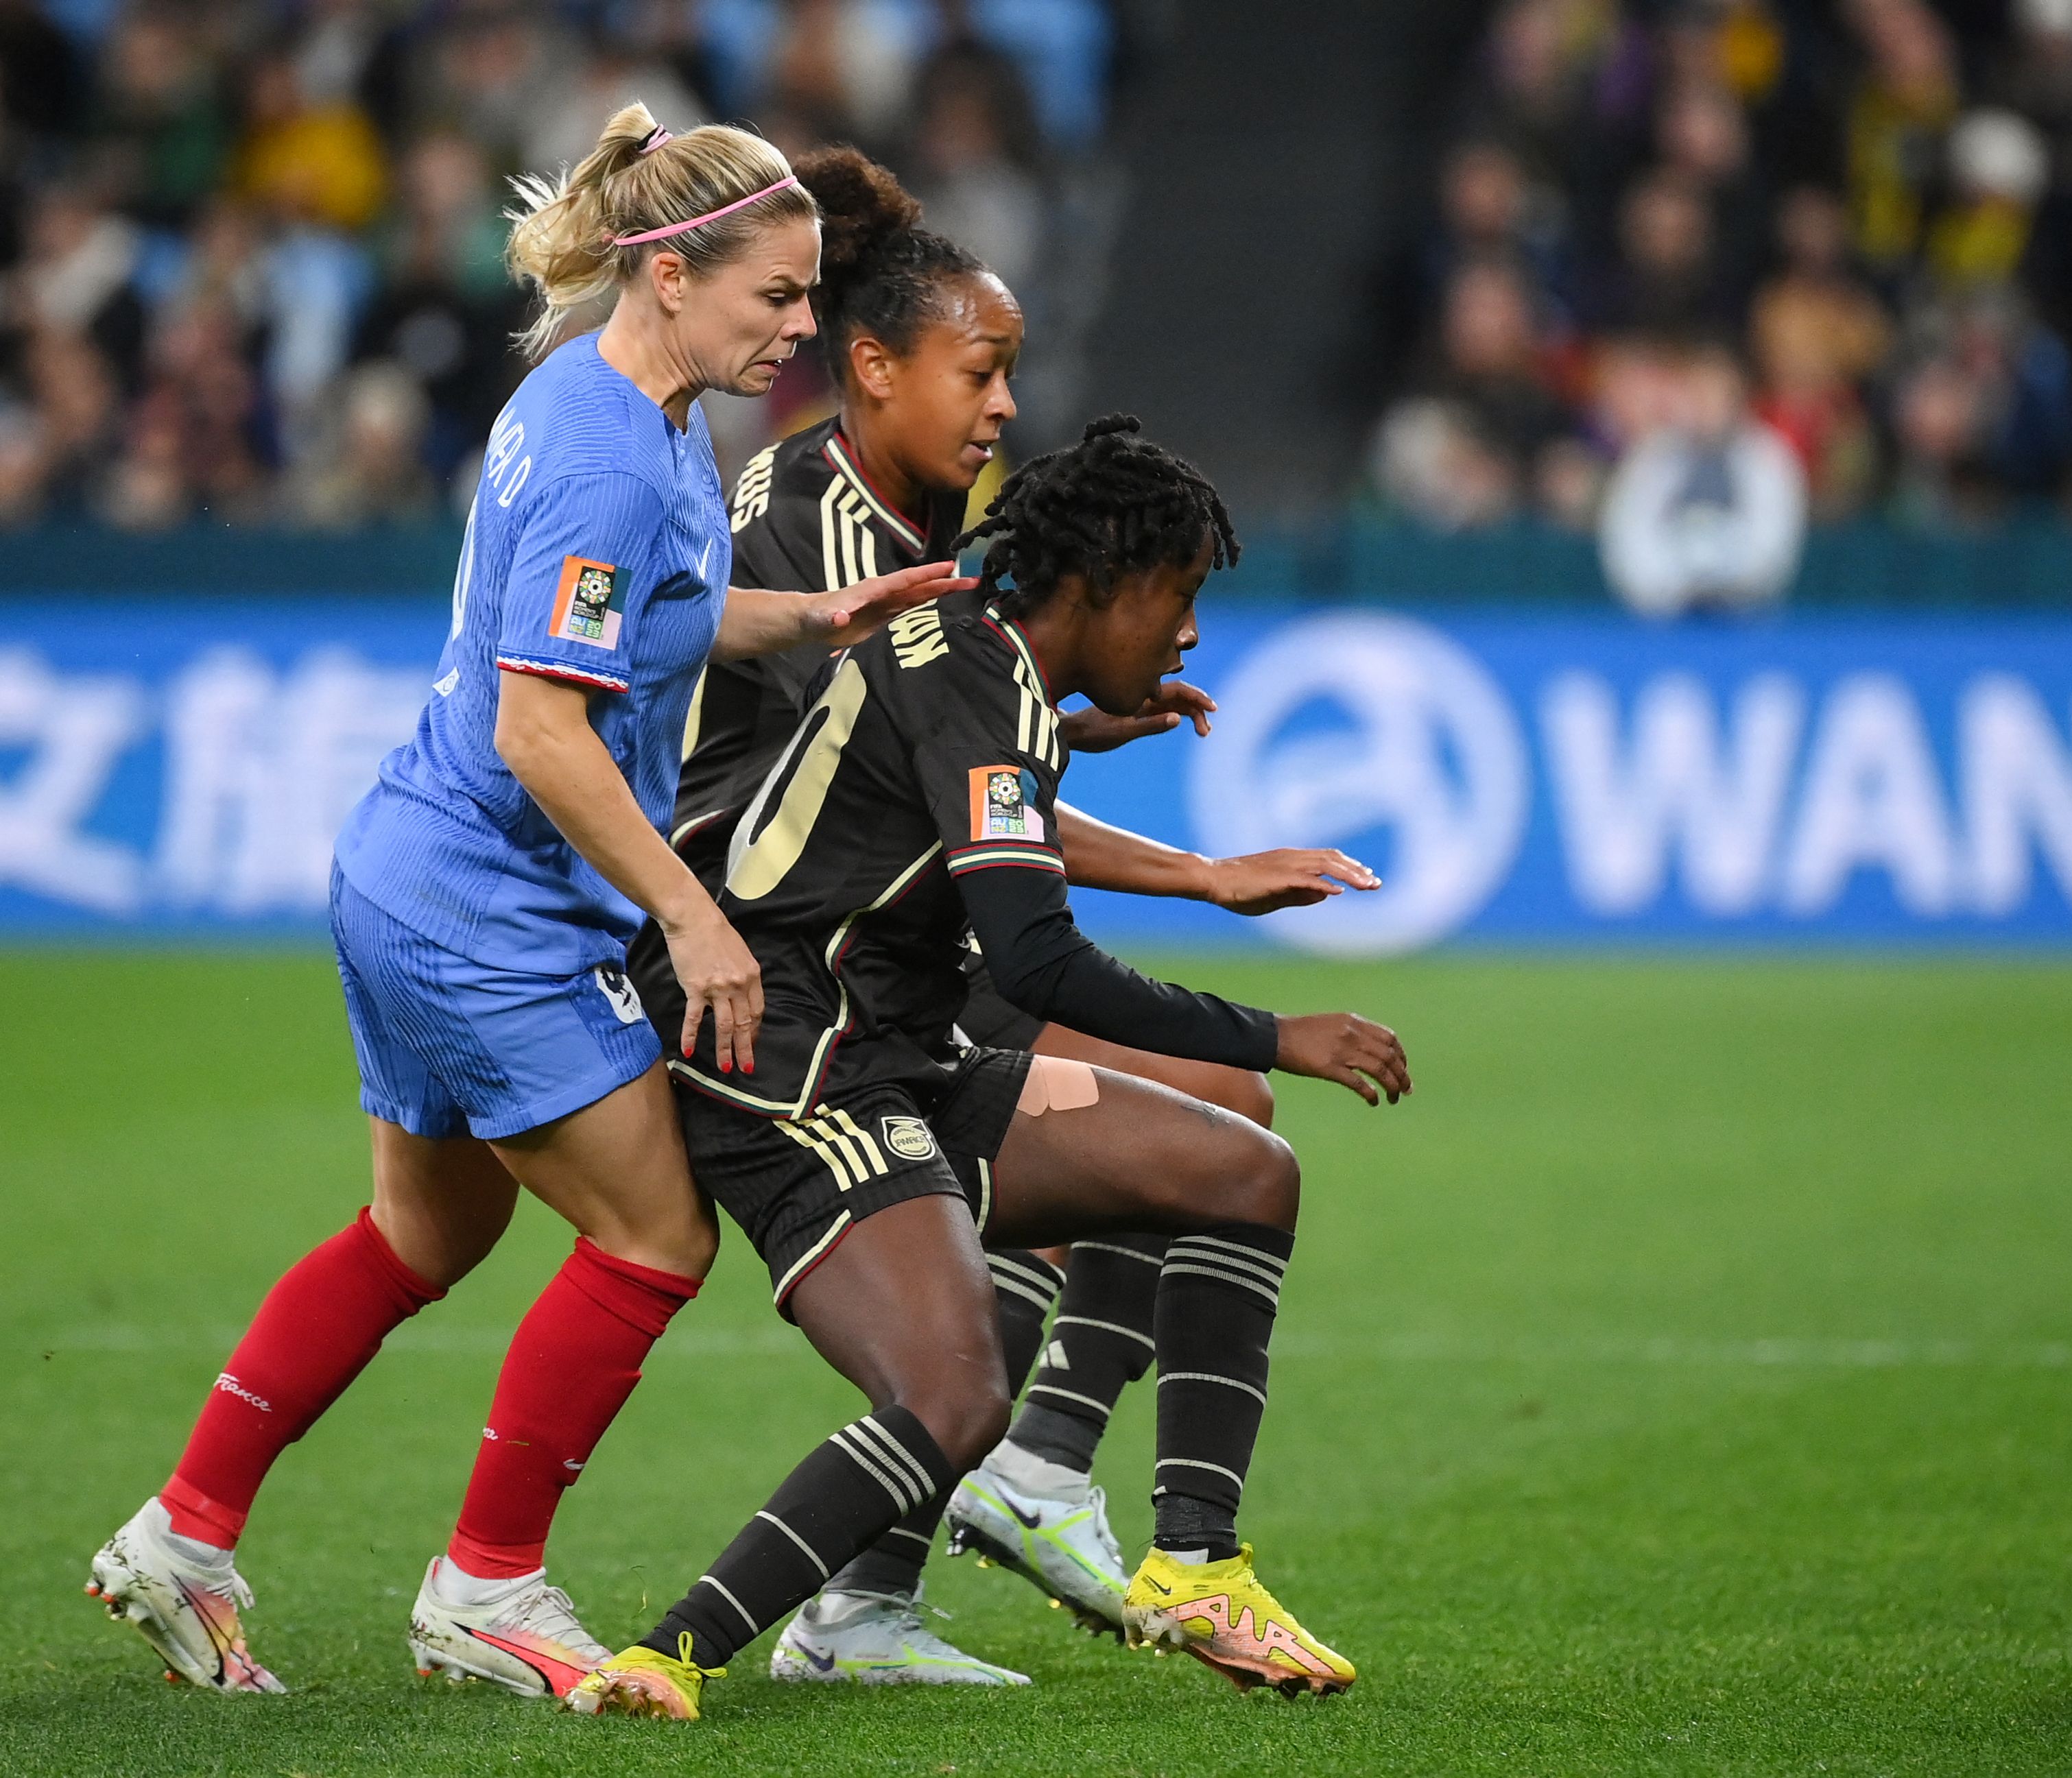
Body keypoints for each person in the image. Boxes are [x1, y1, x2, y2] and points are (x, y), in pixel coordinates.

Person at [80, 104, 967, 1698]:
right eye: (774, 295)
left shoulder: (608, 387)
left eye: (809, 299)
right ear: (675, 270)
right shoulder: (619, 462)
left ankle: (186, 1530)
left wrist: (813, 612)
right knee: (653, 1236)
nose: (799, 329)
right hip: (488, 907)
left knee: (421, 1231)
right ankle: (487, 1585)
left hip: (407, 869)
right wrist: (687, 919)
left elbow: (651, 621)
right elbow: (541, 726)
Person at [566, 416, 1410, 1720]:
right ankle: (669, 1650)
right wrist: (1279, 1034)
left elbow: (975, 789)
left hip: (898, 1045)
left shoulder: (975, 631)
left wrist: (1093, 759)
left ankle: (1196, 1564)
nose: (1187, 633)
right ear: (1095, 585)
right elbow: (1040, 964)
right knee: (955, 1396)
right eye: (1178, 596)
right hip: (791, 1061)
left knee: (1240, 1166)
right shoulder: (983, 675)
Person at [674, 144, 1379, 1687]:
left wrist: (1070, 711)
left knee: (1201, 1120)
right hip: (796, 958)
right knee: (1193, 1107)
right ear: (873, 368)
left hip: (860, 928)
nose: (1004, 408)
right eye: (982, 373)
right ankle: (988, 1503)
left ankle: (1009, 1492)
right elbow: (924, 796)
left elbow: (967, 764)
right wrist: (1196, 871)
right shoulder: (835, 547)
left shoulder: (887, 507)